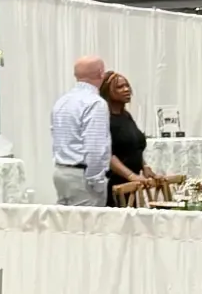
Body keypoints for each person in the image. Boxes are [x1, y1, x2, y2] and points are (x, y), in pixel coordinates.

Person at [50, 56, 111, 206]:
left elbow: (56, 137)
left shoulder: (62, 101)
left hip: (61, 171)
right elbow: (95, 147)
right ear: (101, 73)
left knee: (65, 226)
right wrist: (97, 181)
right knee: (88, 227)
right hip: (83, 178)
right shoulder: (95, 103)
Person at [102, 70, 155, 206]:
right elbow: (108, 155)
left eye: (127, 86)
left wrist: (144, 167)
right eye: (119, 87)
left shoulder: (126, 116)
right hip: (114, 183)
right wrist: (131, 176)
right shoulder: (104, 119)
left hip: (130, 182)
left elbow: (134, 146)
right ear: (108, 91)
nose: (126, 89)